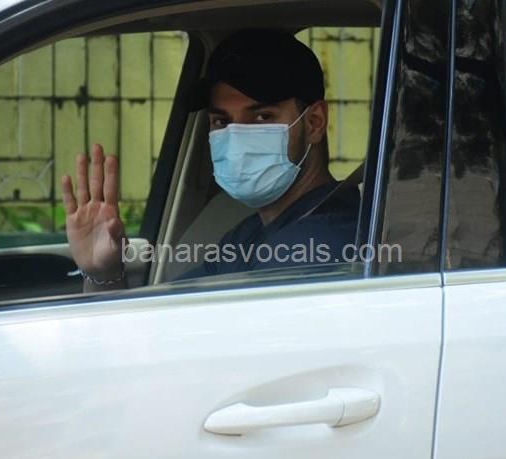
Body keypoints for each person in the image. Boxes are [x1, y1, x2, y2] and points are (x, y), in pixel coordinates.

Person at [61, 29, 360, 290]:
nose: (237, 139)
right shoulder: (250, 233)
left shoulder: (317, 245)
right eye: (222, 121)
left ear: (315, 122)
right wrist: (104, 273)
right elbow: (168, 319)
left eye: (262, 117)